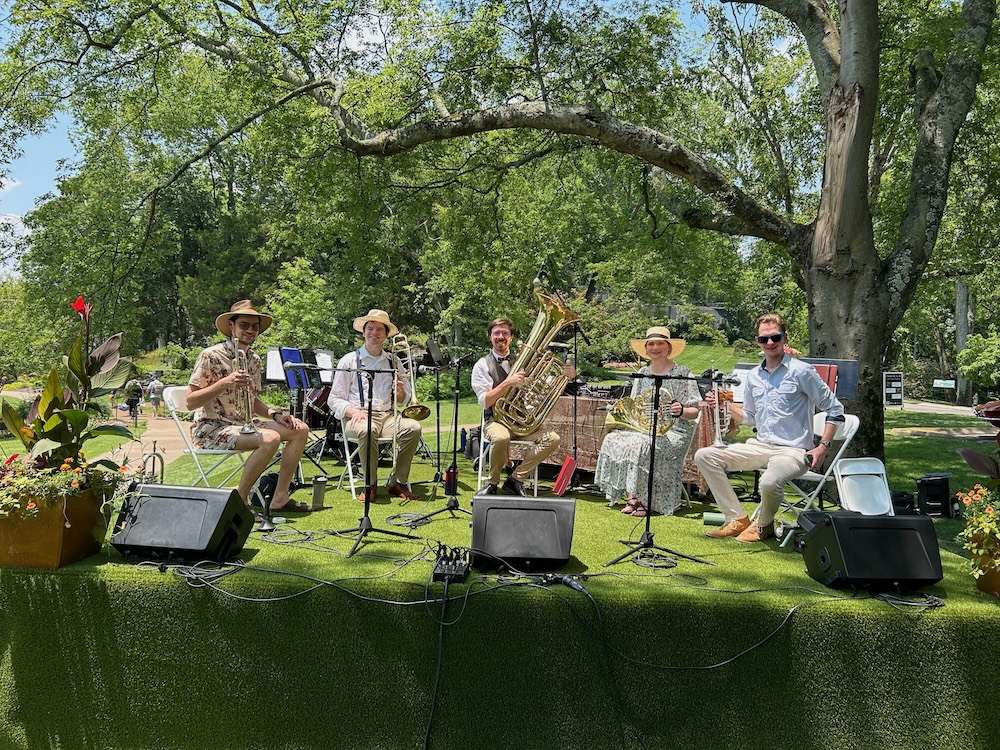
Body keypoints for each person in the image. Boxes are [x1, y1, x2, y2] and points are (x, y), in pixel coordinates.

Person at [694, 312, 846, 543]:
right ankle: (736, 518)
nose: (770, 343)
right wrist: (725, 403)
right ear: (757, 342)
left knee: (769, 481)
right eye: (763, 339)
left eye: (775, 337)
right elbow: (750, 417)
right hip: (760, 445)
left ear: (785, 338)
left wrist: (822, 447)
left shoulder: (801, 371)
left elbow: (835, 408)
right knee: (705, 455)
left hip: (793, 451)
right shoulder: (754, 376)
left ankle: (763, 525)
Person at [187, 300, 310, 515]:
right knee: (270, 438)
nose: (250, 330)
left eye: (255, 326)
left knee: (300, 429)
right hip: (212, 429)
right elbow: (190, 402)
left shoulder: (253, 359)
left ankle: (280, 498)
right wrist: (225, 382)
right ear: (231, 326)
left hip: (244, 426)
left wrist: (274, 414)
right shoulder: (211, 356)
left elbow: (250, 401)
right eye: (244, 325)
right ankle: (240, 502)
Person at [594, 327, 701, 517]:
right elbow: (635, 406)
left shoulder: (683, 373)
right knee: (613, 439)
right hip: (644, 428)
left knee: (640, 444)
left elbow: (695, 411)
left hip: (674, 433)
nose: (655, 347)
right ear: (646, 348)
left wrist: (682, 410)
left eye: (660, 343)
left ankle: (644, 500)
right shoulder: (642, 372)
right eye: (651, 344)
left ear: (668, 347)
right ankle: (631, 496)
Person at [471, 317, 575, 496]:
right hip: (495, 420)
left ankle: (516, 478)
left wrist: (566, 376)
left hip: (521, 422)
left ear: (510, 337)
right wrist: (507, 383)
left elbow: (543, 385)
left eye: (505, 333)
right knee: (501, 438)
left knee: (553, 439)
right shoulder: (482, 365)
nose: (501, 337)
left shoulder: (524, 360)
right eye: (497, 333)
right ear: (490, 337)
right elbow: (486, 401)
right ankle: (492, 483)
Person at [326, 309, 422, 503]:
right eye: (370, 328)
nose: (374, 333)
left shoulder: (393, 360)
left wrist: (401, 392)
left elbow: (404, 401)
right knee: (367, 430)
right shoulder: (349, 360)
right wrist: (352, 411)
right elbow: (334, 398)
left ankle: (397, 481)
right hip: (357, 417)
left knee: (414, 428)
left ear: (386, 335)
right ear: (363, 332)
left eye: (379, 329)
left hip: (387, 416)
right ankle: (370, 484)